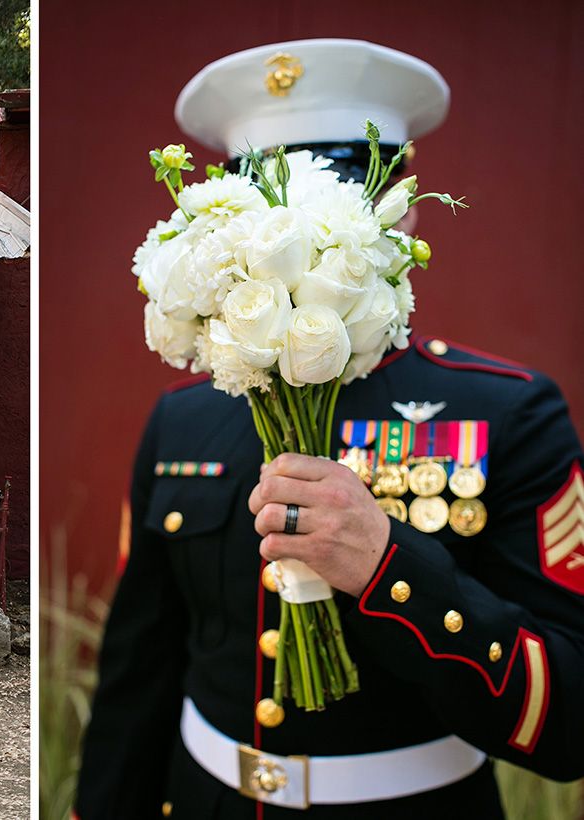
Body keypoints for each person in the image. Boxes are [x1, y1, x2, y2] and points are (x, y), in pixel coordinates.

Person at [75, 39, 584, 818]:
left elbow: (571, 716)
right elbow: (138, 674)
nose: (298, 242)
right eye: (271, 213)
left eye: (333, 203)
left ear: (402, 208)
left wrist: (392, 569)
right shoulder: (183, 419)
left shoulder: (512, 412)